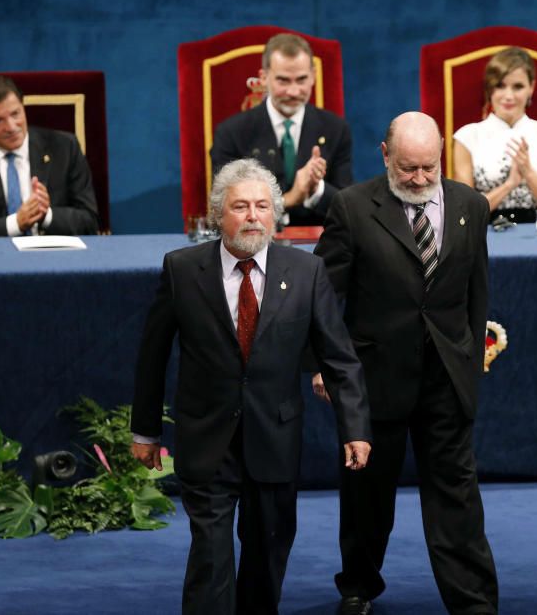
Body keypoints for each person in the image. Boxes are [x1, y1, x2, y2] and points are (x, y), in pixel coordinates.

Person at [130, 158, 372, 615]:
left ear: (276, 215)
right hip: (207, 436)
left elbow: (339, 356)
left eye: (263, 206)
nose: (253, 216)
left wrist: (355, 427)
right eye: (240, 206)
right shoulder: (182, 270)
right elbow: (152, 356)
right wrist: (145, 431)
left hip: (275, 437)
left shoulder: (306, 273)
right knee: (210, 555)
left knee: (266, 553)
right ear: (219, 214)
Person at [314, 112, 498, 615]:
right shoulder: (351, 208)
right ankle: (357, 587)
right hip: (375, 381)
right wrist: (324, 367)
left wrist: (469, 357)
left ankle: (474, 603)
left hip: (446, 376)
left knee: (456, 498)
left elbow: (475, 293)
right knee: (367, 496)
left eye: (428, 168)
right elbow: (325, 297)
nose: (418, 179)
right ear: (385, 155)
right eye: (407, 168)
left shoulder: (470, 205)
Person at [210, 33, 353, 226]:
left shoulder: (336, 129)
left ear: (313, 76)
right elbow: (225, 210)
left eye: (301, 80)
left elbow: (348, 208)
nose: (293, 91)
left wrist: (316, 189)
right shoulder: (231, 133)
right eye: (283, 81)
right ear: (263, 78)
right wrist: (290, 198)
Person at [0, 74, 99, 237]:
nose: (11, 127)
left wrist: (46, 215)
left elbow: (90, 222)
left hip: (56, 257)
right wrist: (15, 224)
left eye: (15, 114)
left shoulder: (65, 147)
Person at [451, 46, 537, 221]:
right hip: (483, 238)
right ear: (490, 89)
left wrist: (529, 174)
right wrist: (509, 185)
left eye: (518, 86)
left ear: (532, 87)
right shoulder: (467, 137)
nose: (508, 96)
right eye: (500, 86)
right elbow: (463, 214)